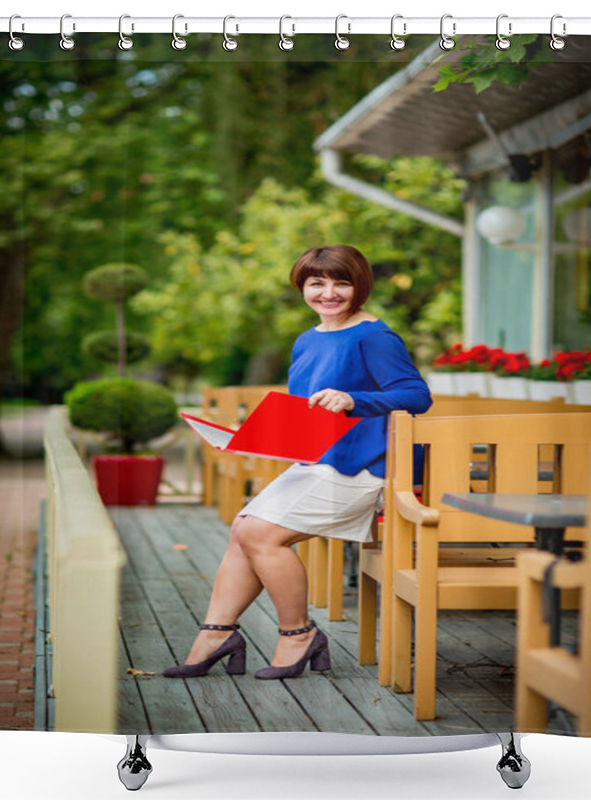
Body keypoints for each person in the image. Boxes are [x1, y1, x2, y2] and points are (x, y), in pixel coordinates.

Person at [163, 244, 432, 680]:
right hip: (318, 463)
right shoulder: (307, 339)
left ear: (359, 286)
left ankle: (299, 635)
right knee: (241, 531)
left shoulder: (374, 336)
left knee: (260, 535)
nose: (328, 293)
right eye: (316, 283)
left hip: (364, 468)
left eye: (341, 283)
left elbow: (417, 396)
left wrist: (355, 399)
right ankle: (217, 635)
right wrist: (247, 438)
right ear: (302, 287)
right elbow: (305, 413)